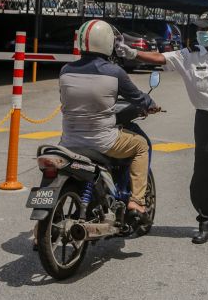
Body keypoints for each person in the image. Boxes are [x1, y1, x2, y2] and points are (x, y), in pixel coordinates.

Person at [117, 11, 208, 250]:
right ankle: (206, 224)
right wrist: (132, 53)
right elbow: (159, 58)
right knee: (203, 176)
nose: (199, 33)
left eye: (204, 29)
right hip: (205, 121)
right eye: (198, 29)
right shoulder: (188, 56)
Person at [58, 19, 159, 215]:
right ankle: (137, 201)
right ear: (108, 43)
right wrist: (151, 104)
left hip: (68, 141)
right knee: (141, 146)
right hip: (103, 141)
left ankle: (39, 232)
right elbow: (138, 97)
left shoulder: (65, 71)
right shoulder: (114, 72)